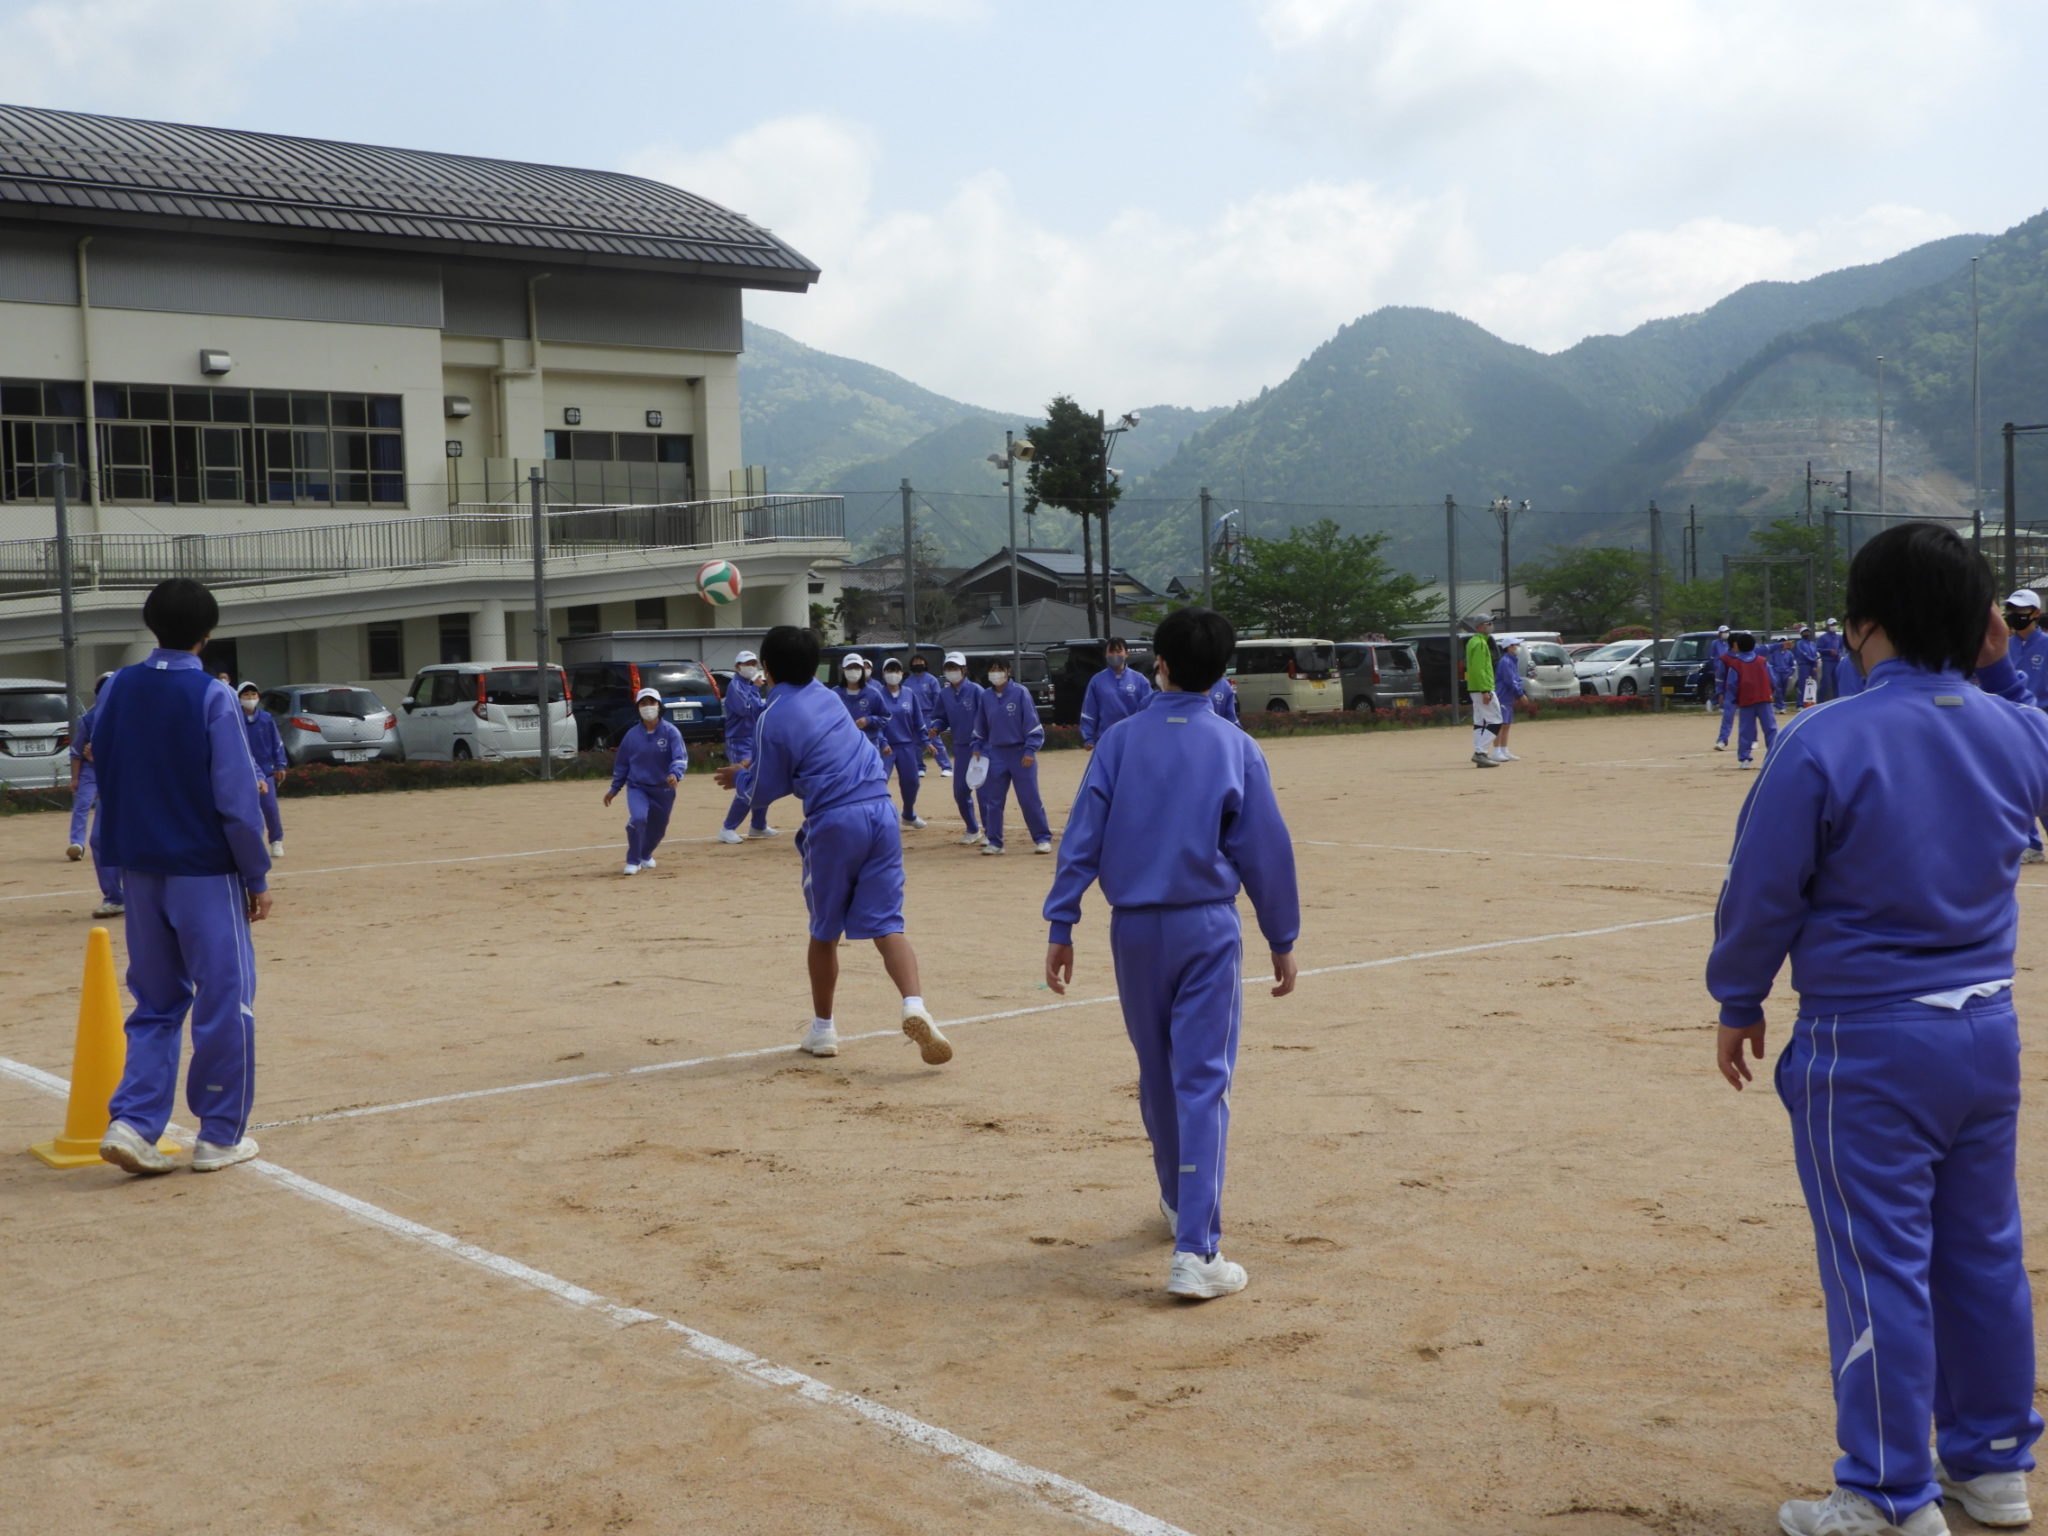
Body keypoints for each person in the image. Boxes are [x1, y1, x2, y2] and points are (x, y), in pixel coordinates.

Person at [1708, 522, 2046, 1536]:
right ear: (1986, 626)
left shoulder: (1827, 736)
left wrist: (1735, 998)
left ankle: (1887, 1494)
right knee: (1981, 1251)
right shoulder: (2018, 728)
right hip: (1984, 1030)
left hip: (1865, 1043)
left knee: (1874, 1263)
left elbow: (1758, 893)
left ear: (1862, 625)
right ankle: (1990, 1466)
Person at [1044, 606, 1300, 1300]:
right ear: (1224, 673)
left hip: (1133, 929)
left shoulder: (1120, 743)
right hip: (1204, 928)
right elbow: (1264, 851)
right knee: (1203, 1081)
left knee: (1157, 1074)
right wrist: (1282, 936)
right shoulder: (1235, 746)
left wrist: (1060, 922)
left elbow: (1082, 837)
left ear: (1156, 662)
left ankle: (1176, 1200)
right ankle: (1196, 1248)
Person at [92, 578, 271, 1176]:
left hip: (140, 867)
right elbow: (238, 799)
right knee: (224, 998)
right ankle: (219, 1134)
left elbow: (107, 768)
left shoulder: (116, 689)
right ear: (208, 632)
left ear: (151, 626)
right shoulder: (211, 696)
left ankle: (134, 1122)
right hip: (202, 868)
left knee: (156, 1000)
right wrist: (258, 873)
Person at [714, 626, 951, 1066]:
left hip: (835, 819)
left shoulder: (773, 713)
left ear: (765, 668)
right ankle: (915, 1005)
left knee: (825, 931)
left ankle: (823, 1030)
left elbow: (766, 786)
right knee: (888, 924)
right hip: (881, 809)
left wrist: (739, 778)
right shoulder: (826, 695)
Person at [969, 655, 1052, 854]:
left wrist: (1030, 749)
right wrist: (977, 746)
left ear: (1008, 672)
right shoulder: (986, 697)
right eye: (992, 669)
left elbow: (1033, 725)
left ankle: (1042, 838)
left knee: (1029, 798)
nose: (996, 673)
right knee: (993, 800)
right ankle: (995, 842)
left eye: (1000, 669)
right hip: (996, 753)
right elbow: (980, 726)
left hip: (1020, 753)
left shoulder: (1020, 693)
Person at [605, 687, 685, 874]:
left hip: (664, 789)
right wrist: (614, 788)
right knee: (639, 818)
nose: (648, 707)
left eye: (652, 703)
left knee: (659, 830)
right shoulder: (631, 736)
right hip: (637, 787)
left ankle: (645, 854)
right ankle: (633, 861)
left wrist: (676, 774)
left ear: (659, 706)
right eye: (643, 703)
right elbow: (622, 764)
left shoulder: (671, 732)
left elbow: (679, 757)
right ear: (638, 707)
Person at [67, 671, 124, 919]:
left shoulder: (133, 718)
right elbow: (79, 752)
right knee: (100, 839)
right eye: (103, 688)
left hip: (135, 788)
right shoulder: (93, 720)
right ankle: (115, 897)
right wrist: (88, 765)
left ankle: (149, 898)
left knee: (139, 840)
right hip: (107, 783)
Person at [717, 650, 776, 845]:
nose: (750, 666)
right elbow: (747, 710)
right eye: (746, 663)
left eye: (753, 662)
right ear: (737, 667)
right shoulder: (736, 686)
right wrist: (757, 690)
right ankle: (728, 828)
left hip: (753, 740)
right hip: (739, 741)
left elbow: (758, 710)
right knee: (748, 781)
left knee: (762, 780)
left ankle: (758, 825)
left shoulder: (748, 685)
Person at [933, 653, 986, 846]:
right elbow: (940, 717)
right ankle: (973, 829)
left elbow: (987, 718)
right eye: (948, 667)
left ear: (964, 669)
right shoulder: (944, 694)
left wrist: (983, 742)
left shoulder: (977, 691)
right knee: (960, 792)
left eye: (955, 667)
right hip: (961, 749)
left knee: (983, 792)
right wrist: (936, 726)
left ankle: (991, 832)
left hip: (980, 748)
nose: (951, 671)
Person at [235, 681, 288, 858]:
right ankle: (253, 845)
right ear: (239, 698)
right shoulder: (234, 719)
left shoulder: (266, 718)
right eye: (246, 695)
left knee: (270, 808)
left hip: (265, 771)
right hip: (242, 771)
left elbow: (276, 743)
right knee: (248, 811)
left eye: (253, 695)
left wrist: (280, 764)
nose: (250, 699)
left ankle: (276, 841)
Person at [876, 658, 930, 829]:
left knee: (912, 782)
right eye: (889, 670)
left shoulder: (909, 693)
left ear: (902, 673)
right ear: (883, 674)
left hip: (906, 746)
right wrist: (883, 741)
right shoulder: (877, 694)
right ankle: (879, 817)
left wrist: (926, 741)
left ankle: (908, 814)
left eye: (897, 670)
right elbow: (876, 722)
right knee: (879, 781)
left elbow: (918, 721)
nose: (893, 674)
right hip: (885, 747)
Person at [1079, 636, 1154, 748]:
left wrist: (1147, 734)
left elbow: (1149, 709)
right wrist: (1088, 737)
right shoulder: (1097, 681)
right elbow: (1089, 711)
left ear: (1126, 654)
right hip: (1105, 738)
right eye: (1111, 651)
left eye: (1119, 651)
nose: (1115, 655)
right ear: (1105, 654)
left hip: (1133, 738)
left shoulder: (1139, 680)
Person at [1721, 631, 1778, 767]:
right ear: (1754, 646)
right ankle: (1772, 757)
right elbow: (1772, 680)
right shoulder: (1762, 661)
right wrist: (1772, 692)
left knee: (1746, 730)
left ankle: (1745, 759)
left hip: (1746, 700)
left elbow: (1732, 684)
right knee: (1770, 728)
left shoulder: (1736, 664)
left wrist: (1734, 699)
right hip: (1764, 698)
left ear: (1738, 647)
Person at [904, 653, 952, 778]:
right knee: (916, 742)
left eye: (920, 662)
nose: (918, 664)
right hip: (914, 715)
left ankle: (946, 766)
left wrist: (937, 717)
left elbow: (937, 698)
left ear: (925, 664)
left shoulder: (931, 680)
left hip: (929, 714)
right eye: (915, 662)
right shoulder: (908, 682)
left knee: (935, 740)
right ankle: (920, 767)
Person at [834, 652, 891, 754]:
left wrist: (869, 720)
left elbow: (885, 717)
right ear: (843, 670)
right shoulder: (835, 694)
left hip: (868, 745)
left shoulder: (873, 693)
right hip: (843, 745)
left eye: (856, 668)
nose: (853, 671)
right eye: (849, 668)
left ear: (862, 670)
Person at [1463, 618, 1501, 768]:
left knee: (1480, 721)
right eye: (1488, 623)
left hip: (1475, 687)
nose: (1491, 626)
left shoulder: (1474, 641)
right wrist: (1485, 690)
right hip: (1482, 687)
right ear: (1479, 626)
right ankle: (1480, 753)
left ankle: (1480, 752)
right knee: (1496, 720)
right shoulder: (1479, 643)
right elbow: (1479, 669)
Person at [1491, 636, 1527, 762]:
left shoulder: (1511, 660)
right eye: (1515, 645)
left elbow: (1515, 679)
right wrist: (1520, 694)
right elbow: (1510, 681)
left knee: (1507, 724)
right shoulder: (1505, 662)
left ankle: (1504, 749)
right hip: (1502, 695)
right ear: (1509, 647)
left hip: (1508, 696)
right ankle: (1496, 751)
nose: (1517, 647)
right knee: (1501, 724)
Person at [1710, 625, 1739, 750]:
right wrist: (1720, 692)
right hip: (1731, 691)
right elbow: (1720, 677)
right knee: (1728, 716)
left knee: (1749, 717)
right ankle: (1722, 739)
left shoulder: (1748, 657)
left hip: (1746, 691)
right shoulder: (1725, 658)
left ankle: (1752, 740)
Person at [1817, 617, 1845, 701]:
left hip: (1836, 661)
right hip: (1827, 662)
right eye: (1832, 625)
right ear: (1828, 626)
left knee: (1836, 682)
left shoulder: (1839, 637)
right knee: (1826, 682)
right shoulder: (1823, 637)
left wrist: (1839, 654)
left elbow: (1841, 648)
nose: (1833, 626)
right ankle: (1820, 700)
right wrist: (1828, 651)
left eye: (1835, 624)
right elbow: (1818, 649)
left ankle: (1837, 700)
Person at [1794, 626, 1822, 709]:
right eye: (1804, 632)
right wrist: (1812, 660)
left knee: (1813, 684)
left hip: (1812, 666)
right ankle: (1800, 704)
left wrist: (1815, 665)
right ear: (1801, 634)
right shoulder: (1799, 643)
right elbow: (1802, 654)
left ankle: (1811, 703)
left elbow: (1816, 655)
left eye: (1807, 632)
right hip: (1804, 665)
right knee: (1803, 684)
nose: (1806, 633)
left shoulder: (1813, 644)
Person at [1769, 634, 1798, 708]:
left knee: (1784, 690)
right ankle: (1781, 706)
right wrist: (1774, 674)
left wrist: (1790, 672)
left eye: (1784, 641)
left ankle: (1779, 704)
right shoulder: (1774, 653)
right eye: (1781, 642)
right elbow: (1771, 664)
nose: (1783, 643)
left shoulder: (1789, 653)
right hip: (1777, 673)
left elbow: (1793, 665)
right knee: (1778, 689)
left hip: (1786, 674)